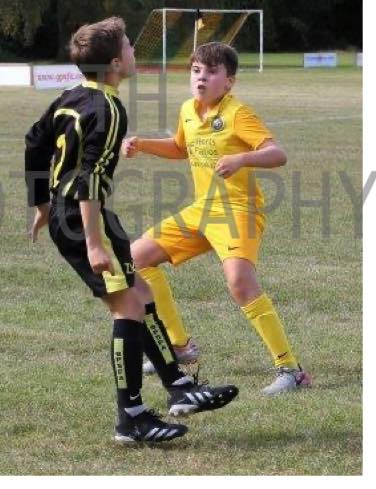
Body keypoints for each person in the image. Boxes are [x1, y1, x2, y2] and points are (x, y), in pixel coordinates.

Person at [25, 19, 238, 444]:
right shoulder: (108, 110)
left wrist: (43, 205)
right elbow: (90, 179)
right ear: (115, 63)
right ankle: (132, 418)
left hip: (75, 213)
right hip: (82, 218)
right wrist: (93, 243)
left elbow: (34, 142)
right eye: (128, 45)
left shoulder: (71, 97)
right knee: (127, 309)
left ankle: (179, 387)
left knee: (141, 291)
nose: (134, 50)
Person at [122, 41, 311, 396]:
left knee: (240, 283)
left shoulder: (238, 113)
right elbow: (181, 147)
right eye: (196, 71)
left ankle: (291, 370)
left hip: (239, 211)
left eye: (211, 72)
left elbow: (277, 153)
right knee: (136, 258)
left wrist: (242, 159)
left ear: (229, 82)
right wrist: (142, 144)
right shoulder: (188, 110)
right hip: (202, 210)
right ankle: (179, 347)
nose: (201, 78)